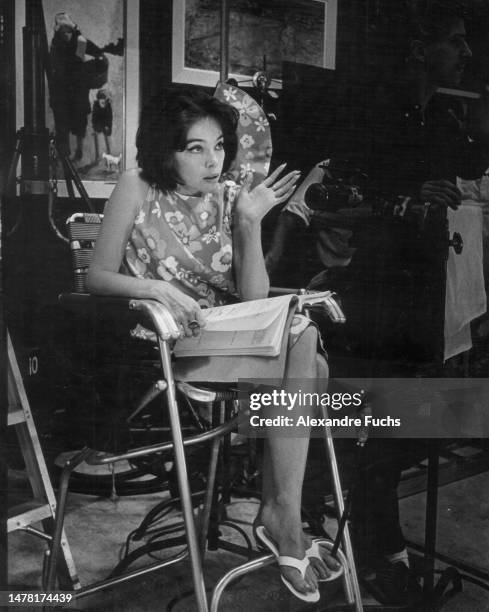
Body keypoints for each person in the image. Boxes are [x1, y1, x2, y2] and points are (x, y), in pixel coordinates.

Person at [267, 1, 489, 605]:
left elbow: (467, 181)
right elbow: (327, 198)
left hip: (421, 285)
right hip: (366, 291)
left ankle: (370, 546)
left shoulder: (440, 120)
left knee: (401, 430)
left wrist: (440, 192)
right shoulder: (369, 112)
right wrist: (406, 197)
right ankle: (368, 549)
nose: (466, 52)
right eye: (456, 40)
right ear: (420, 49)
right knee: (371, 427)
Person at [87, 87, 342, 603]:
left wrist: (249, 223)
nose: (213, 160)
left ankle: (281, 515)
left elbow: (250, 297)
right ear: (166, 149)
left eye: (220, 145)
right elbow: (96, 276)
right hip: (166, 340)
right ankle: (282, 517)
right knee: (310, 360)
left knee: (305, 335)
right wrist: (155, 286)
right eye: (195, 148)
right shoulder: (137, 187)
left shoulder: (231, 197)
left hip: (229, 332)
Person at [49, 12, 105, 162]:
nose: (66, 34)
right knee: (63, 124)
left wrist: (89, 70)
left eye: (68, 31)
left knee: (80, 124)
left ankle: (79, 151)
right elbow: (56, 65)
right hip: (63, 92)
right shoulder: (57, 45)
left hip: (78, 91)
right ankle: (64, 156)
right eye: (63, 31)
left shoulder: (79, 42)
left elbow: (96, 54)